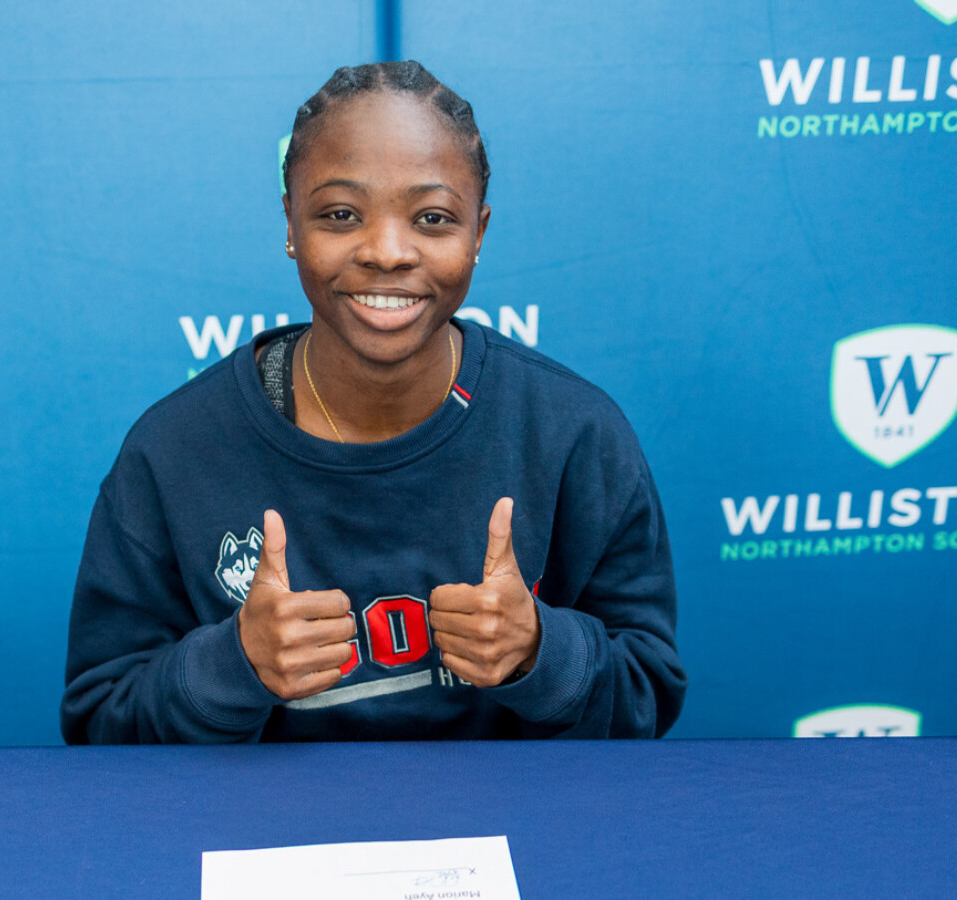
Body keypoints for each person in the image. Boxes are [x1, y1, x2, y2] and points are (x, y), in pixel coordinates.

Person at [61, 61, 685, 743]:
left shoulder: (574, 433)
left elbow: (648, 698)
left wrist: (542, 652)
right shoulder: (173, 450)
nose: (388, 251)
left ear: (478, 234)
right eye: (340, 214)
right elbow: (98, 722)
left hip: (508, 836)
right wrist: (230, 665)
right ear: (291, 223)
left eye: (433, 218)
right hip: (266, 839)